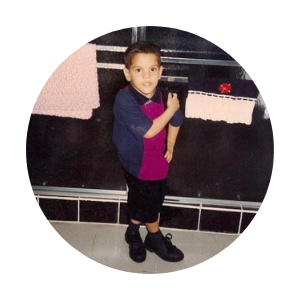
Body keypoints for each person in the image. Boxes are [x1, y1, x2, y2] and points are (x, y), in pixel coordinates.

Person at [113, 41, 184, 263]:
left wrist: (171, 144)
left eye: (152, 69)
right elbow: (149, 131)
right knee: (148, 198)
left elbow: (177, 119)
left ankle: (132, 232)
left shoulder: (163, 95)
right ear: (127, 73)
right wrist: (171, 109)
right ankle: (154, 236)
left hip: (159, 159)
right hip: (136, 161)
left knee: (148, 196)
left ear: (160, 71)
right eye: (138, 70)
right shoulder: (124, 99)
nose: (146, 76)